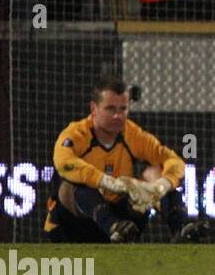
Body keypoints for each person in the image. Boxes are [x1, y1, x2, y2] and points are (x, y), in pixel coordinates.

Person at [45, 74, 204, 243]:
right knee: (71, 184)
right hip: (75, 226)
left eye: (123, 109)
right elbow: (63, 162)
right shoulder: (78, 133)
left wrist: (162, 185)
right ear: (94, 108)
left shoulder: (132, 133)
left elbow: (174, 161)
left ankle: (182, 228)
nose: (118, 116)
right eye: (110, 109)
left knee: (155, 173)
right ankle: (113, 227)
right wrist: (105, 181)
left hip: (124, 221)